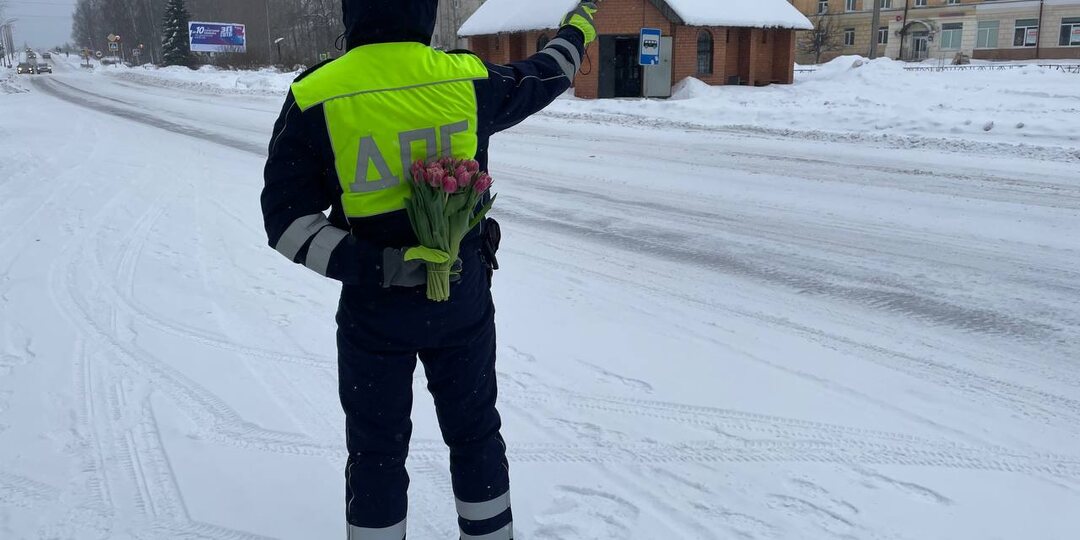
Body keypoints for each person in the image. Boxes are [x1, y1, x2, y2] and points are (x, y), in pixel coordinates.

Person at [260, 0, 599, 538]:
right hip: (460, 302)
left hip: (375, 313)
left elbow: (287, 224)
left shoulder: (317, 94)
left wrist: (380, 265)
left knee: (375, 450)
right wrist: (578, 28)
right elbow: (548, 72)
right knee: (475, 436)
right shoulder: (467, 77)